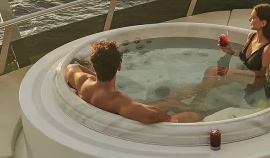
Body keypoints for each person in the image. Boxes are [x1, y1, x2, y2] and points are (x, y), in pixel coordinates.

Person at [64, 40, 201, 124]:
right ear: (119, 66)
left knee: (171, 102)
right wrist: (169, 119)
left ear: (93, 67)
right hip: (128, 116)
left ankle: (178, 101)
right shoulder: (118, 100)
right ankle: (203, 114)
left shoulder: (83, 81)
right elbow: (151, 115)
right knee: (189, 112)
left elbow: (71, 67)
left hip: (100, 104)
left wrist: (94, 76)